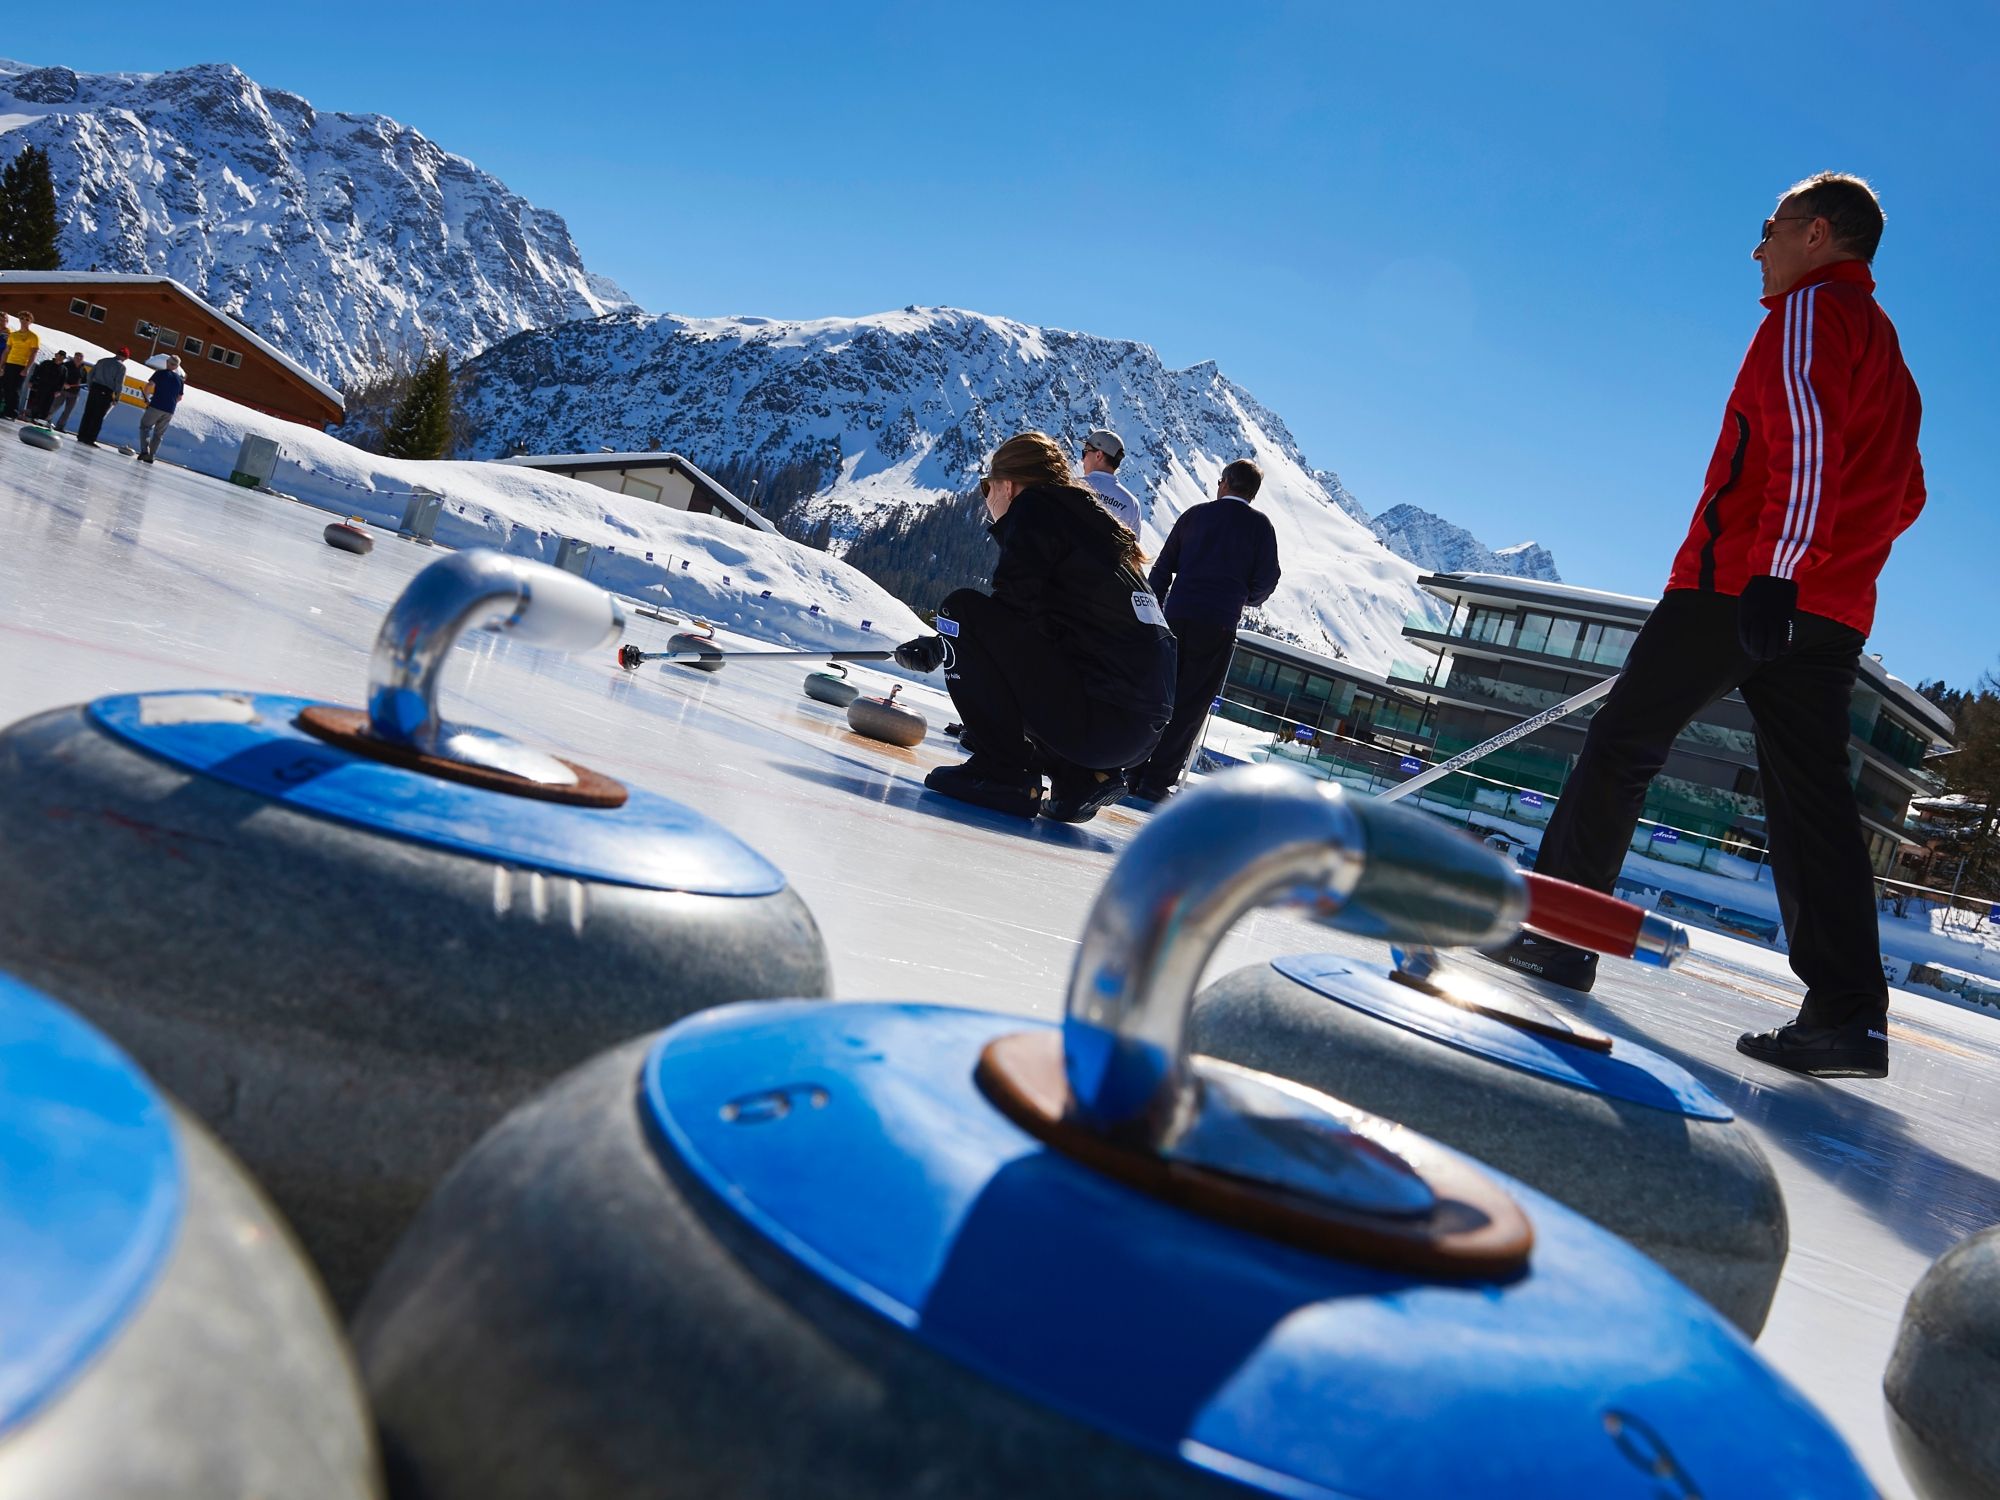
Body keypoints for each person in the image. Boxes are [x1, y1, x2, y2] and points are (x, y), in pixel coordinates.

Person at [1485, 173, 1925, 1082]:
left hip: (1742, 585)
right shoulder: (1887, 350)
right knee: (1812, 803)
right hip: (1831, 610)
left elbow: (1804, 439)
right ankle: (1847, 1017)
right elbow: (1905, 493)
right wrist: (1827, 569)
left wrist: (1777, 567)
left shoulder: (1810, 315)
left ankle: (1560, 934)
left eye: (1766, 228)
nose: (1756, 248)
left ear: (1815, 234)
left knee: (1623, 745)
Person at [894, 431, 1175, 822]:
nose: (986, 498)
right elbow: (1044, 634)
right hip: (1137, 732)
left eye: (984, 487)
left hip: (1102, 718)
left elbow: (1008, 614)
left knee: (959, 609)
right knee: (998, 638)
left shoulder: (1037, 508)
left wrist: (946, 638)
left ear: (1007, 485)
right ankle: (1079, 778)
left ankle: (1001, 772)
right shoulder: (1090, 525)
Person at [1125, 458, 1282, 802]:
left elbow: (1162, 568)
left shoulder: (1195, 515)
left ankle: (1132, 767)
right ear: (1253, 493)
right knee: (1191, 705)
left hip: (1177, 616)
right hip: (1219, 623)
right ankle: (1156, 781)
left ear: (1224, 482)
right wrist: (1245, 596)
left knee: (1157, 694)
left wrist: (1156, 614)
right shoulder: (1261, 528)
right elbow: (1268, 580)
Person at [1079, 427, 1142, 532]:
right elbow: (1133, 546)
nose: (1082, 459)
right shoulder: (1132, 505)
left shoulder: (1074, 486)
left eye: (1085, 452)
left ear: (1098, 455)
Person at [77, 347, 130, 448]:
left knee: (88, 412)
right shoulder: (121, 367)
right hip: (106, 392)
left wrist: (90, 386)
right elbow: (119, 383)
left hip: (95, 388)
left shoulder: (102, 361)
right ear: (125, 357)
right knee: (98, 417)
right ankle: (90, 438)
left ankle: (81, 435)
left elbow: (90, 374)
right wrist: (117, 397)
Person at [137, 355, 185, 464]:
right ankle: (151, 456)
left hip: (156, 406)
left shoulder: (160, 373)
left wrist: (146, 396)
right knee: (159, 434)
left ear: (167, 362)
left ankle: (145, 451)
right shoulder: (180, 380)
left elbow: (150, 385)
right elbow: (180, 397)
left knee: (145, 426)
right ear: (177, 366)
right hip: (169, 410)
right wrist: (171, 403)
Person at [0, 313, 38, 420]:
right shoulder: (13, 335)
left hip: (21, 365)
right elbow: (7, 351)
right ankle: (6, 410)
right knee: (6, 387)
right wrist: (2, 365)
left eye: (27, 319)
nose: (23, 320)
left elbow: (33, 353)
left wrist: (27, 368)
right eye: (21, 318)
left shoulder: (33, 337)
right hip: (10, 362)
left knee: (15, 389)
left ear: (30, 322)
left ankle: (13, 412)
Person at [48, 351, 87, 432]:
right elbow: (60, 375)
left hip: (75, 393)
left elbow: (84, 381)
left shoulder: (83, 369)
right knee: (55, 406)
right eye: (77, 356)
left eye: (81, 357)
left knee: (68, 411)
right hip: (63, 391)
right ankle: (45, 420)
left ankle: (60, 426)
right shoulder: (67, 365)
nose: (79, 358)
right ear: (74, 357)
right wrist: (64, 384)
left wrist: (82, 385)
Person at [25, 349, 66, 423]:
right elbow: (37, 373)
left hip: (53, 389)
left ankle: (41, 419)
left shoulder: (64, 369)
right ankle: (33, 416)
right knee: (38, 401)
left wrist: (59, 390)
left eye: (62, 357)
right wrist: (32, 381)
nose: (60, 358)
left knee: (47, 404)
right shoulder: (46, 363)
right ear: (56, 355)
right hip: (42, 386)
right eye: (59, 356)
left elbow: (62, 381)